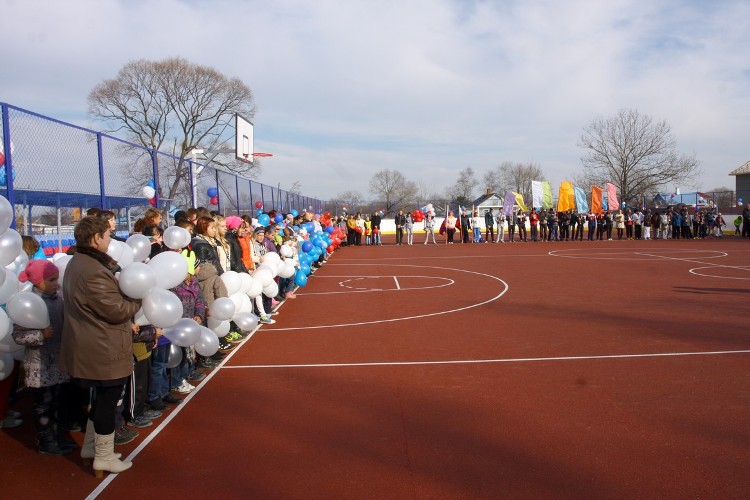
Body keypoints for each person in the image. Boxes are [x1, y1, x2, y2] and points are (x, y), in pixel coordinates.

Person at [59, 216, 141, 477]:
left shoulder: (80, 263)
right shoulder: (92, 270)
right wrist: (138, 300)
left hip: (94, 343)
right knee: (108, 400)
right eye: (108, 235)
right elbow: (116, 310)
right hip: (101, 346)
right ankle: (103, 456)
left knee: (102, 400)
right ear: (96, 238)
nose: (110, 240)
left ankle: (92, 447)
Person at [13, 260, 77, 455]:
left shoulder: (59, 300)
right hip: (39, 366)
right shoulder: (29, 303)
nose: (55, 283)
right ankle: (45, 440)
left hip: (58, 362)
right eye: (51, 280)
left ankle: (56, 436)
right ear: (37, 281)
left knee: (57, 402)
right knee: (43, 405)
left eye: (56, 279)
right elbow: (18, 335)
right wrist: (40, 335)